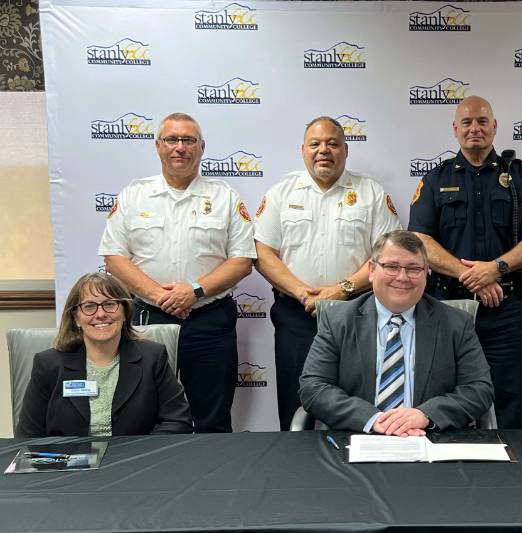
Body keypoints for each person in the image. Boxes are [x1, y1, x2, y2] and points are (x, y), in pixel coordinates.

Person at [99, 112, 256, 433]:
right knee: (142, 415)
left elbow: (242, 260)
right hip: (147, 321)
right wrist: (159, 296)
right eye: (172, 139)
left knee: (212, 417)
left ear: (202, 147)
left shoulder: (225, 198)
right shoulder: (134, 195)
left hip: (209, 321)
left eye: (188, 140)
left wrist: (194, 290)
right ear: (157, 146)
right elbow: (114, 258)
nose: (180, 147)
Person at [408, 95, 522, 429]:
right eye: (467, 122)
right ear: (455, 129)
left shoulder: (519, 176)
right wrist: (470, 274)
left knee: (516, 400)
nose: (475, 128)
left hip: (509, 307)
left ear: (494, 127)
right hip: (450, 307)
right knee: (444, 396)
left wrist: (496, 268)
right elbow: (420, 240)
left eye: (482, 121)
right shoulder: (435, 179)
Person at [254, 116, 401, 430]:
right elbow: (263, 253)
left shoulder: (370, 192)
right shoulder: (282, 192)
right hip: (297, 314)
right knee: (295, 405)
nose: (324, 150)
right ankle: (295, 470)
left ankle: (356, 473)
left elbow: (387, 255)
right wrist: (301, 292)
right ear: (302, 150)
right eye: (315, 144)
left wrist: (343, 289)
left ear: (346, 150)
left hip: (356, 313)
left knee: (356, 407)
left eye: (333, 143)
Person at [299, 230, 493, 434]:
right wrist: (372, 419)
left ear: (426, 273)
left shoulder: (456, 323)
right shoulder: (338, 320)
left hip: (431, 441)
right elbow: (314, 387)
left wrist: (426, 415)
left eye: (413, 269)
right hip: (356, 439)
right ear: (372, 270)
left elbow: (479, 389)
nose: (402, 277)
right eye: (391, 267)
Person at [16, 273, 193, 437]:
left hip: (133, 463)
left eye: (110, 304)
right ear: (76, 318)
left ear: (124, 312)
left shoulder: (152, 357)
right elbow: (28, 435)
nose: (100, 314)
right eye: (89, 306)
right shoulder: (48, 364)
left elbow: (177, 421)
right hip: (71, 464)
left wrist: (142, 454)